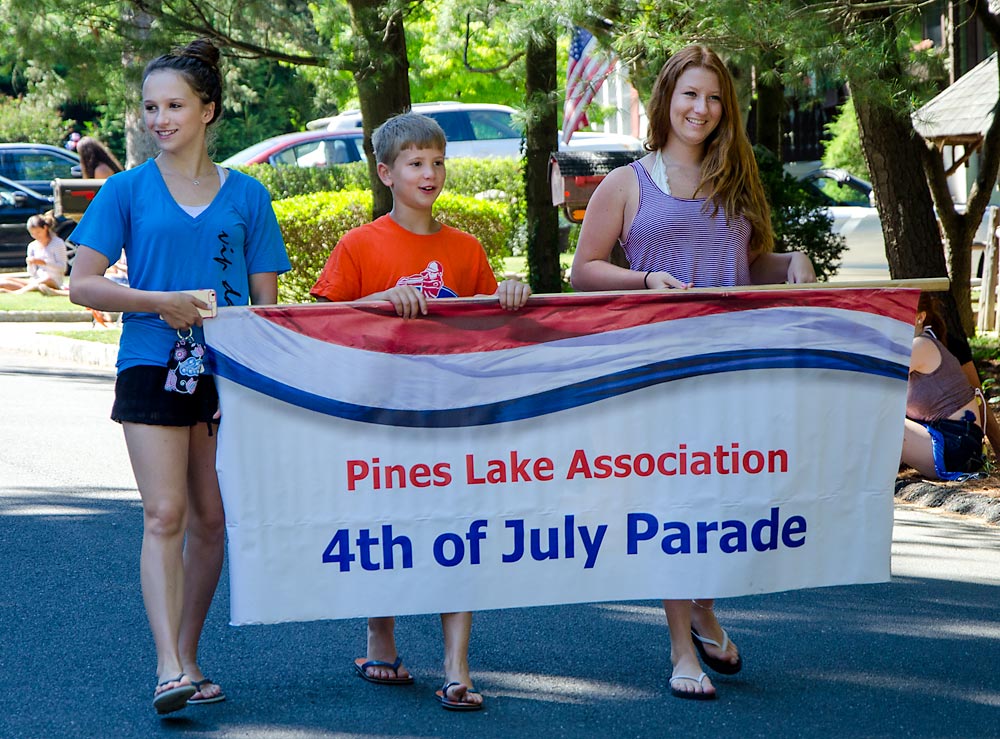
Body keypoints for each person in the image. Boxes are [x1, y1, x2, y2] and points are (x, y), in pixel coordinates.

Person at [570, 44, 817, 700]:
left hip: (733, 369)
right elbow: (583, 270)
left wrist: (790, 263)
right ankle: (682, 648)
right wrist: (646, 278)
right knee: (675, 506)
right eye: (689, 95)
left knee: (730, 503)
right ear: (665, 100)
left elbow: (748, 262)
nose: (700, 109)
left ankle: (704, 606)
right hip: (661, 372)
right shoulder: (629, 183)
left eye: (713, 98)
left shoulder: (738, 181)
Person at [68, 38, 291, 716]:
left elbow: (264, 305)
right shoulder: (125, 189)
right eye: (149, 107)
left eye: (173, 105)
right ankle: (167, 667)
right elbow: (82, 285)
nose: (159, 118)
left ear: (208, 110)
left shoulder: (249, 195)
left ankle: (189, 656)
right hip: (149, 361)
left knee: (212, 521)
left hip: (221, 369)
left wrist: (248, 381)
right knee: (165, 513)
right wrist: (157, 301)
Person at [310, 111, 531, 711]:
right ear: (385, 172)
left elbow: (492, 323)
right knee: (382, 526)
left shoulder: (466, 247)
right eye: (414, 163)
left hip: (452, 413)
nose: (429, 173)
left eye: (437, 162)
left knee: (458, 526)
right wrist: (377, 300)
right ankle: (379, 632)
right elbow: (322, 323)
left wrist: (508, 291)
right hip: (380, 413)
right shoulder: (358, 245)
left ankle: (457, 663)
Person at [902, 293, 985, 479]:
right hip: (954, 442)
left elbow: (880, 377)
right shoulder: (920, 344)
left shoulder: (920, 345)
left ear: (920, 317)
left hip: (956, 444)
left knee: (882, 419)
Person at [0, 214, 68, 295]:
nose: (36, 236)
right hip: (35, 280)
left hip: (53, 280)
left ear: (45, 228)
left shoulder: (57, 243)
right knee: (3, 281)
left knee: (46, 279)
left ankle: (16, 292)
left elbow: (63, 268)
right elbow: (32, 273)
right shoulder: (32, 246)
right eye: (32, 233)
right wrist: (30, 264)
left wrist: (44, 263)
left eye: (38, 232)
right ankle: (32, 287)